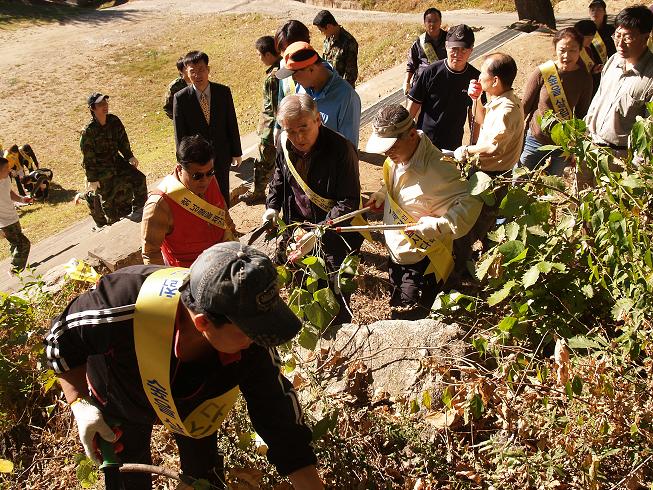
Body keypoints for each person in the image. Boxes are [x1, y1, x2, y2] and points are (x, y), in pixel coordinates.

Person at [44, 242, 323, 490]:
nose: (258, 341)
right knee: (128, 476)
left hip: (194, 411)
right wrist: (80, 403)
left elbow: (277, 414)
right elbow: (58, 342)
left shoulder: (249, 340)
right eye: (249, 332)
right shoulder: (121, 306)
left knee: (205, 477)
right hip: (122, 397)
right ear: (203, 323)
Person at [364, 105, 481, 319]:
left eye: (390, 146)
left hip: (424, 262)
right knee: (397, 307)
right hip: (397, 253)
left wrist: (438, 225)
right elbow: (399, 181)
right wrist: (383, 193)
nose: (386, 153)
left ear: (411, 134)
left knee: (410, 318)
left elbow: (471, 203)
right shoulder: (397, 157)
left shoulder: (440, 169)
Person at [263, 94, 364, 322]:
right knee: (303, 294)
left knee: (334, 300)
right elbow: (279, 178)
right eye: (290, 130)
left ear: (318, 119)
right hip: (296, 233)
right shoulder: (284, 144)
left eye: (303, 128)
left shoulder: (341, 150)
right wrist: (272, 207)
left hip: (334, 239)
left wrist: (318, 233)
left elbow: (348, 201)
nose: (298, 137)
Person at [453, 53, 524, 271]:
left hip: (492, 177)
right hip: (485, 173)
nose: (479, 76)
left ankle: (462, 270)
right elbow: (481, 121)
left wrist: (466, 150)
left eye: (483, 72)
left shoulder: (507, 110)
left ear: (495, 80)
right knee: (480, 223)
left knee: (472, 226)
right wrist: (476, 100)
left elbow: (493, 147)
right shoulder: (499, 101)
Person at [141, 135, 236, 267]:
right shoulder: (159, 204)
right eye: (197, 176)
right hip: (188, 273)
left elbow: (221, 209)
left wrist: (232, 232)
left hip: (222, 258)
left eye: (210, 172)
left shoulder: (209, 179)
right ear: (180, 169)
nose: (205, 181)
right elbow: (151, 254)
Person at [519, 28, 593, 176]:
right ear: (555, 49)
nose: (567, 56)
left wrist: (575, 147)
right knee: (520, 181)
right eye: (562, 50)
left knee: (552, 189)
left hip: (562, 146)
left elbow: (582, 114)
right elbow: (524, 106)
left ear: (580, 50)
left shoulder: (584, 78)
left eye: (572, 50)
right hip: (535, 140)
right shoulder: (543, 72)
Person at [173, 51, 242, 206]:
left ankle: (226, 226)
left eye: (201, 70)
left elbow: (231, 122)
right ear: (186, 73)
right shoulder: (181, 98)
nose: (198, 75)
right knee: (200, 195)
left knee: (223, 190)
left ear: (208, 69)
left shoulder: (223, 92)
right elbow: (180, 134)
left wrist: (236, 151)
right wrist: (183, 161)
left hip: (221, 153)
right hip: (196, 160)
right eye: (193, 71)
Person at [585, 5, 653, 158]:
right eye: (617, 36)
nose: (620, 44)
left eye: (628, 38)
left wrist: (637, 170)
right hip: (590, 147)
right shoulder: (613, 60)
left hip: (620, 158)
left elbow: (649, 132)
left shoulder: (650, 78)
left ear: (645, 37)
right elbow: (597, 100)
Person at [407, 24, 481, 153]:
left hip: (452, 146)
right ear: (446, 47)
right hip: (423, 142)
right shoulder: (431, 72)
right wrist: (404, 135)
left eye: (464, 49)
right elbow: (413, 106)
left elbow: (475, 114)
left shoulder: (475, 78)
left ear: (471, 50)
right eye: (454, 49)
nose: (458, 54)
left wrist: (474, 144)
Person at [80, 92, 148, 227]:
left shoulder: (113, 121)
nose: (105, 106)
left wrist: (129, 156)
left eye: (105, 103)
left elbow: (123, 140)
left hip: (116, 161)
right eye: (100, 105)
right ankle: (113, 225)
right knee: (109, 200)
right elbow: (88, 158)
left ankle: (141, 210)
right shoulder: (89, 131)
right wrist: (92, 179)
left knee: (139, 178)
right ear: (93, 109)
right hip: (101, 169)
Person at [275, 42, 361, 147]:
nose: (293, 79)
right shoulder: (302, 86)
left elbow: (349, 148)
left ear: (311, 69)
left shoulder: (347, 98)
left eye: (295, 74)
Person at [240, 36, 282, 205]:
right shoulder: (284, 67)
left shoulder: (273, 77)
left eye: (259, 55)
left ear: (268, 55)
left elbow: (274, 108)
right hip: (276, 127)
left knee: (263, 163)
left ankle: (257, 193)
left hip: (270, 128)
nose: (259, 58)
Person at [404, 7, 448, 95]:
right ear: (424, 23)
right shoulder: (419, 42)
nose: (432, 24)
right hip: (423, 84)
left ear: (440, 22)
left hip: (444, 83)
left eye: (435, 20)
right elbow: (411, 65)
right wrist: (407, 82)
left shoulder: (449, 39)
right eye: (429, 21)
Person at [0, 156, 32, 276]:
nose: (9, 170)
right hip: (4, 222)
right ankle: (14, 270)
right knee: (24, 244)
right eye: (6, 168)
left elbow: (9, 192)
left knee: (15, 243)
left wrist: (22, 199)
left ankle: (15, 264)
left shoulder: (6, 178)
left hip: (13, 217)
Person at [312, 10, 359, 87]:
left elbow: (351, 75)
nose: (321, 33)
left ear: (329, 26)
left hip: (342, 90)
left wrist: (340, 91)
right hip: (328, 87)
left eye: (321, 30)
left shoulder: (349, 42)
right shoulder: (328, 39)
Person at [575, 19, 604, 95]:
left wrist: (595, 69)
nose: (589, 41)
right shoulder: (571, 50)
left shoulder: (588, 49)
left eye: (591, 38)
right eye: (587, 38)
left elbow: (590, 69)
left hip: (588, 87)